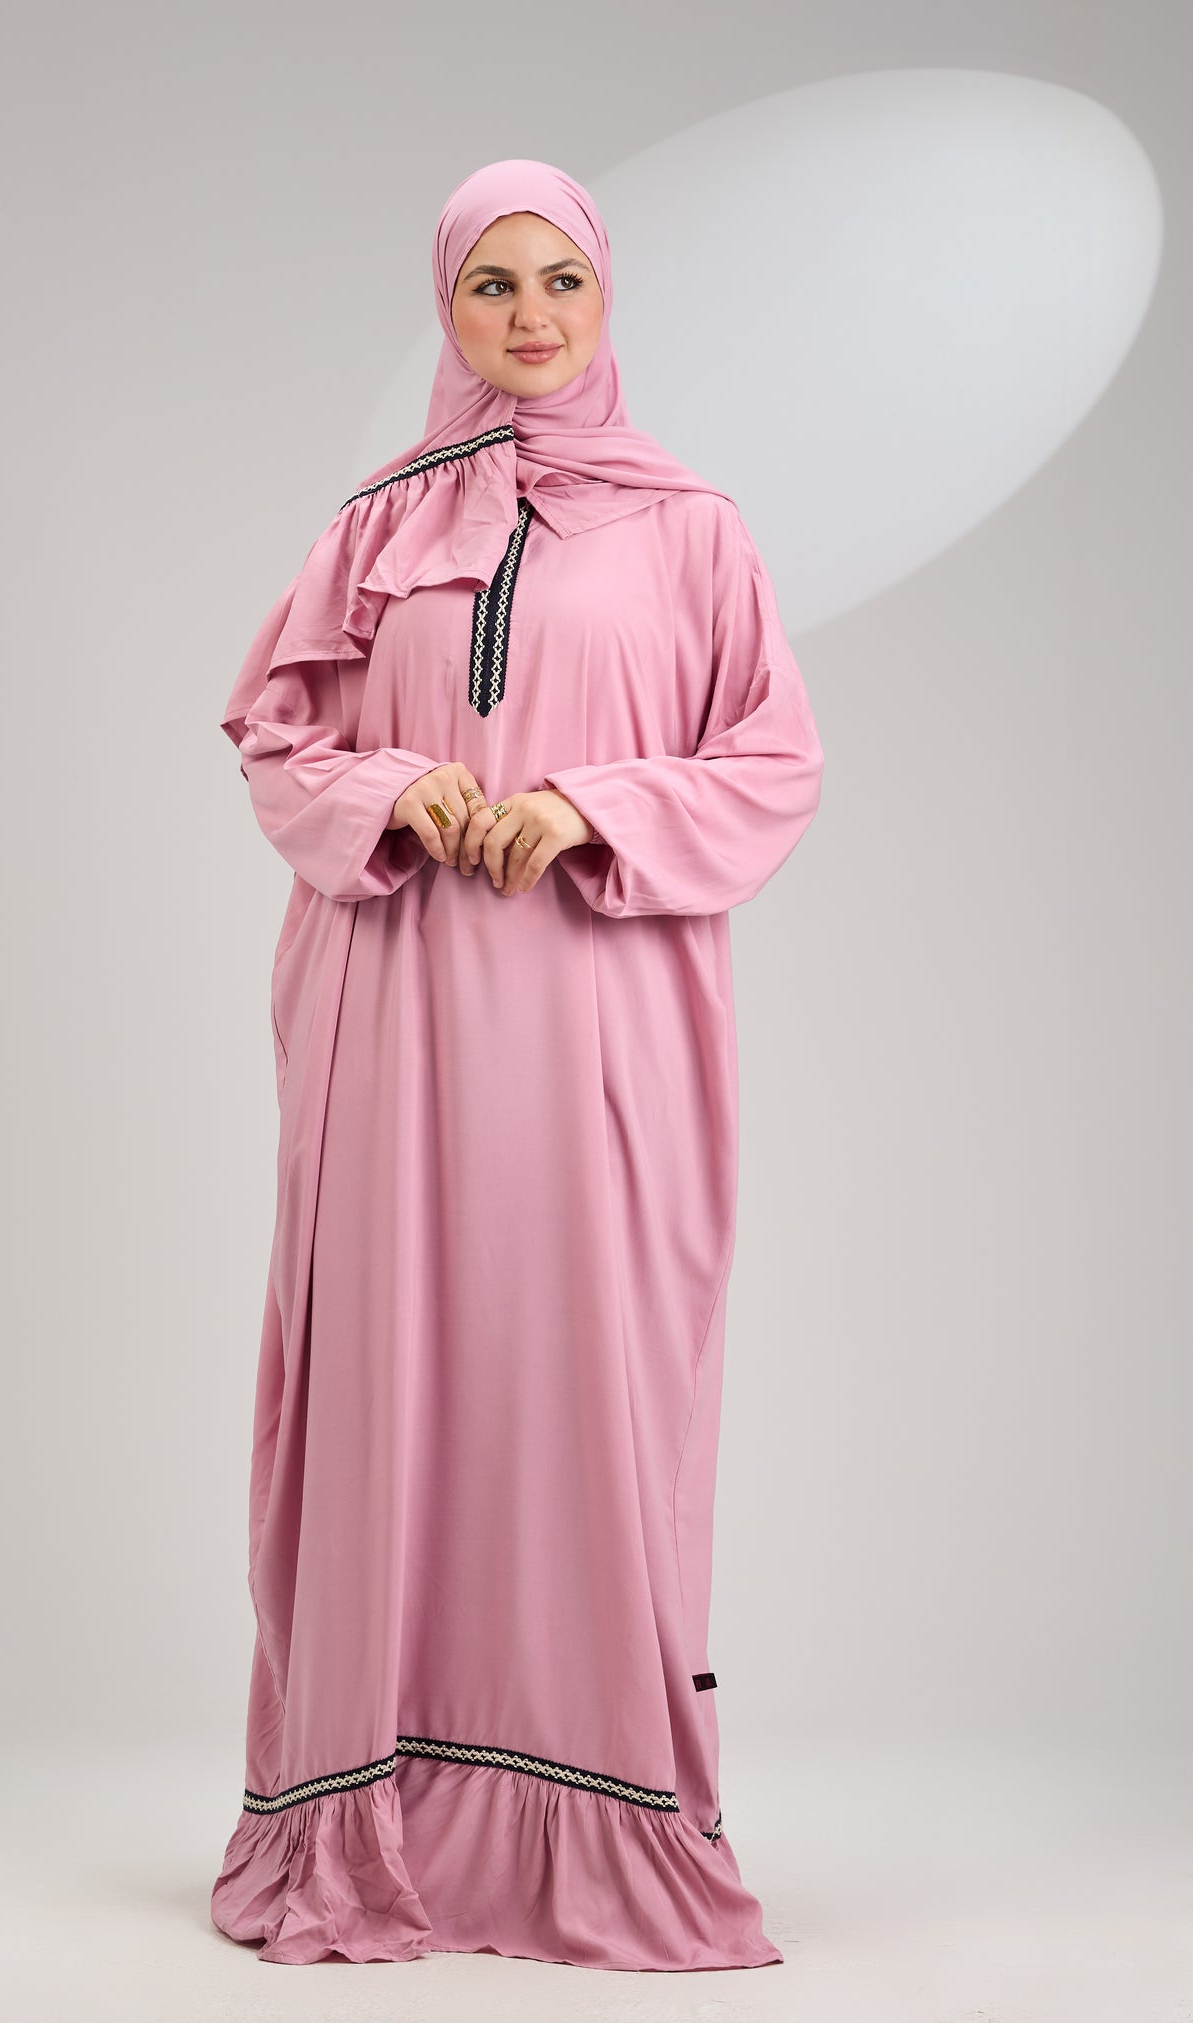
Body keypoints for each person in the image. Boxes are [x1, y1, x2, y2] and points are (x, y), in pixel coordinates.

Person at [209, 157, 824, 1973]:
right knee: (386, 1364)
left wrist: (585, 806)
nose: (530, 316)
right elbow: (275, 733)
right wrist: (402, 790)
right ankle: (368, 1815)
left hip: (597, 1015)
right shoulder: (373, 522)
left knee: (589, 1369)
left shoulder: (693, 527)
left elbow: (769, 761)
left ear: (605, 294)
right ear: (447, 307)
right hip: (392, 1008)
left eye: (561, 279)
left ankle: (591, 1824)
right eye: (492, 284)